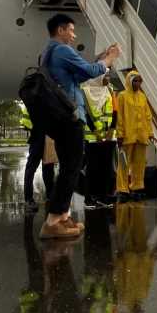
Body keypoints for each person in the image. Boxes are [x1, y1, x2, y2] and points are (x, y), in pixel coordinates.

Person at [38, 13, 121, 239]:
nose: (74, 36)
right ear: (62, 30)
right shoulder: (63, 50)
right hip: (70, 117)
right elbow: (90, 72)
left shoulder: (48, 53)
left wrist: (99, 59)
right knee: (71, 168)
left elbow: (80, 74)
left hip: (59, 117)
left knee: (68, 166)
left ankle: (63, 218)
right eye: (72, 30)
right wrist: (110, 58)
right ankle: (53, 221)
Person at [112, 70, 154, 201]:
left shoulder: (142, 96)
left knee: (139, 164)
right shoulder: (122, 96)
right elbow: (120, 117)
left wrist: (150, 133)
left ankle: (137, 187)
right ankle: (122, 189)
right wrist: (120, 134)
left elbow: (148, 116)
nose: (137, 83)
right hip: (127, 136)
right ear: (129, 82)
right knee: (124, 164)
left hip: (141, 136)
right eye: (135, 81)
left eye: (139, 81)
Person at [80, 77, 119, 209]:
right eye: (105, 76)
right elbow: (84, 113)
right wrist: (95, 131)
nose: (108, 78)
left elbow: (115, 110)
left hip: (109, 136)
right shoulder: (85, 92)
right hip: (92, 137)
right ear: (97, 78)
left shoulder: (109, 89)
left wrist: (112, 129)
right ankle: (88, 198)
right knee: (92, 169)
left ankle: (104, 197)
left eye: (108, 75)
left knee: (107, 168)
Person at [19, 110, 56, 210]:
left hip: (45, 138)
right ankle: (29, 199)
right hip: (40, 138)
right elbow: (26, 121)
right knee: (32, 169)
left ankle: (49, 196)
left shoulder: (47, 98)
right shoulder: (34, 98)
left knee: (47, 170)